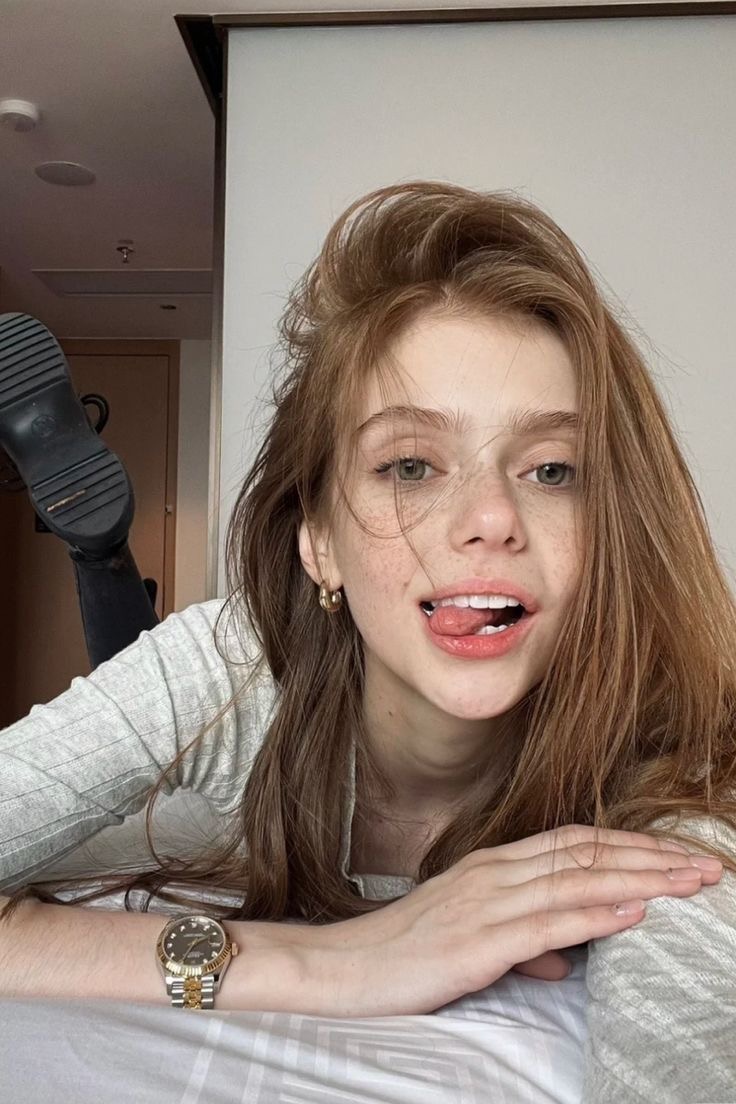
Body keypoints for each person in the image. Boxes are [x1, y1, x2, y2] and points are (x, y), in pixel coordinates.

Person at [1, 181, 735, 1101]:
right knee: (128, 816)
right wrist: (338, 963)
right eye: (410, 465)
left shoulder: (675, 773)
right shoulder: (234, 665)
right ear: (318, 540)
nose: (491, 518)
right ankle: (101, 560)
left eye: (553, 470)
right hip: (209, 797)